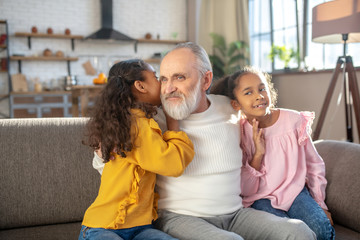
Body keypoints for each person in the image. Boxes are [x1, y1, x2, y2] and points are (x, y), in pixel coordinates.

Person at [93, 43, 316, 240]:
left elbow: (266, 113)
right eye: (163, 79)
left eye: (179, 77)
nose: (169, 87)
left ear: (206, 79)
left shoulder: (230, 107)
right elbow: (112, 160)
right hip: (179, 218)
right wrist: (104, 149)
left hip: (236, 214)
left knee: (298, 232)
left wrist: (296, 123)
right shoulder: (153, 119)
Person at [210, 65, 335, 240]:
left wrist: (321, 204)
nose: (259, 96)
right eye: (248, 92)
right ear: (236, 104)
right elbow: (246, 188)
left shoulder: (294, 121)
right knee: (285, 233)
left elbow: (314, 165)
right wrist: (258, 154)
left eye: (262, 89)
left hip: (295, 191)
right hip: (261, 198)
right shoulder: (238, 133)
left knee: (321, 228)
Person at [79, 59, 194, 240]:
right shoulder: (136, 125)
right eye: (156, 78)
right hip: (103, 227)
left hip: (140, 228)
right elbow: (173, 164)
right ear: (140, 86)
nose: (163, 83)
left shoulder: (128, 120)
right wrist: (173, 121)